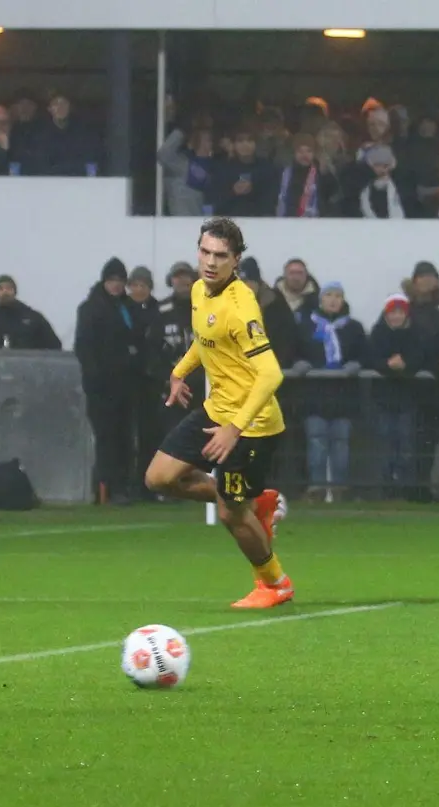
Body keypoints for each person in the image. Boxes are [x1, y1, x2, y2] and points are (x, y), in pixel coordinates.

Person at [143, 218, 292, 609]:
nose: (211, 262)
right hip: (217, 409)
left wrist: (234, 429)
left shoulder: (241, 307)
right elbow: (205, 340)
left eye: (221, 256)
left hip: (252, 424)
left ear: (236, 260)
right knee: (159, 478)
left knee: (230, 514)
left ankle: (275, 584)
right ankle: (256, 504)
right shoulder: (199, 289)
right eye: (205, 252)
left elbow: (271, 374)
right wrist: (179, 372)